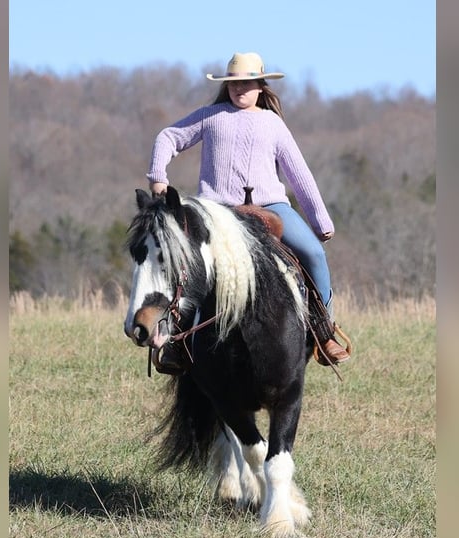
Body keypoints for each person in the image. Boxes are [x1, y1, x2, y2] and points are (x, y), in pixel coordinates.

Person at [146, 51, 350, 369]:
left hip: (272, 206)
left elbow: (300, 175)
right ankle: (180, 341)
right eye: (233, 84)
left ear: (260, 85)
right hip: (218, 211)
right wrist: (158, 176)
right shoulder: (209, 116)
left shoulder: (273, 124)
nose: (240, 89)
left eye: (247, 83)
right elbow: (168, 137)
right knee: (192, 266)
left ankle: (324, 333)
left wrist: (319, 220)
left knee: (314, 253)